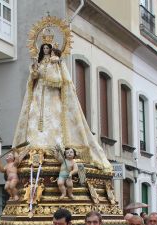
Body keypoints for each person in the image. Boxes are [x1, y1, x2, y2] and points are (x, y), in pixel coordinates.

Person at [12, 42, 112, 172]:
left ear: (51, 49)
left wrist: (53, 66)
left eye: (48, 48)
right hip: (38, 93)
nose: (46, 50)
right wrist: (35, 70)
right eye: (44, 48)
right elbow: (34, 78)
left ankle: (54, 147)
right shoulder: (40, 62)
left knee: (53, 119)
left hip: (52, 95)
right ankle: (34, 147)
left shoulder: (56, 61)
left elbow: (59, 80)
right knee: (34, 118)